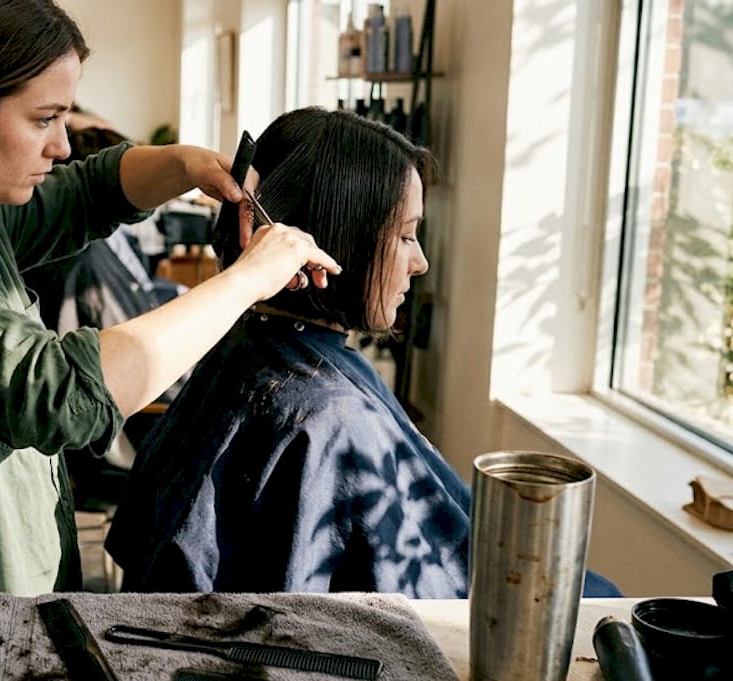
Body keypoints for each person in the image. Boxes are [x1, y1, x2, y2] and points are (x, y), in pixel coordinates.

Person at [0, 1, 341, 681]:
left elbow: (83, 193)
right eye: (43, 118)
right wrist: (247, 281)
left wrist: (183, 165)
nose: (60, 145)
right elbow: (62, 394)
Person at [105, 107, 621, 600]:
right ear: (339, 242)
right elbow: (431, 592)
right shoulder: (328, 410)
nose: (418, 262)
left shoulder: (246, 345)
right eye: (405, 236)